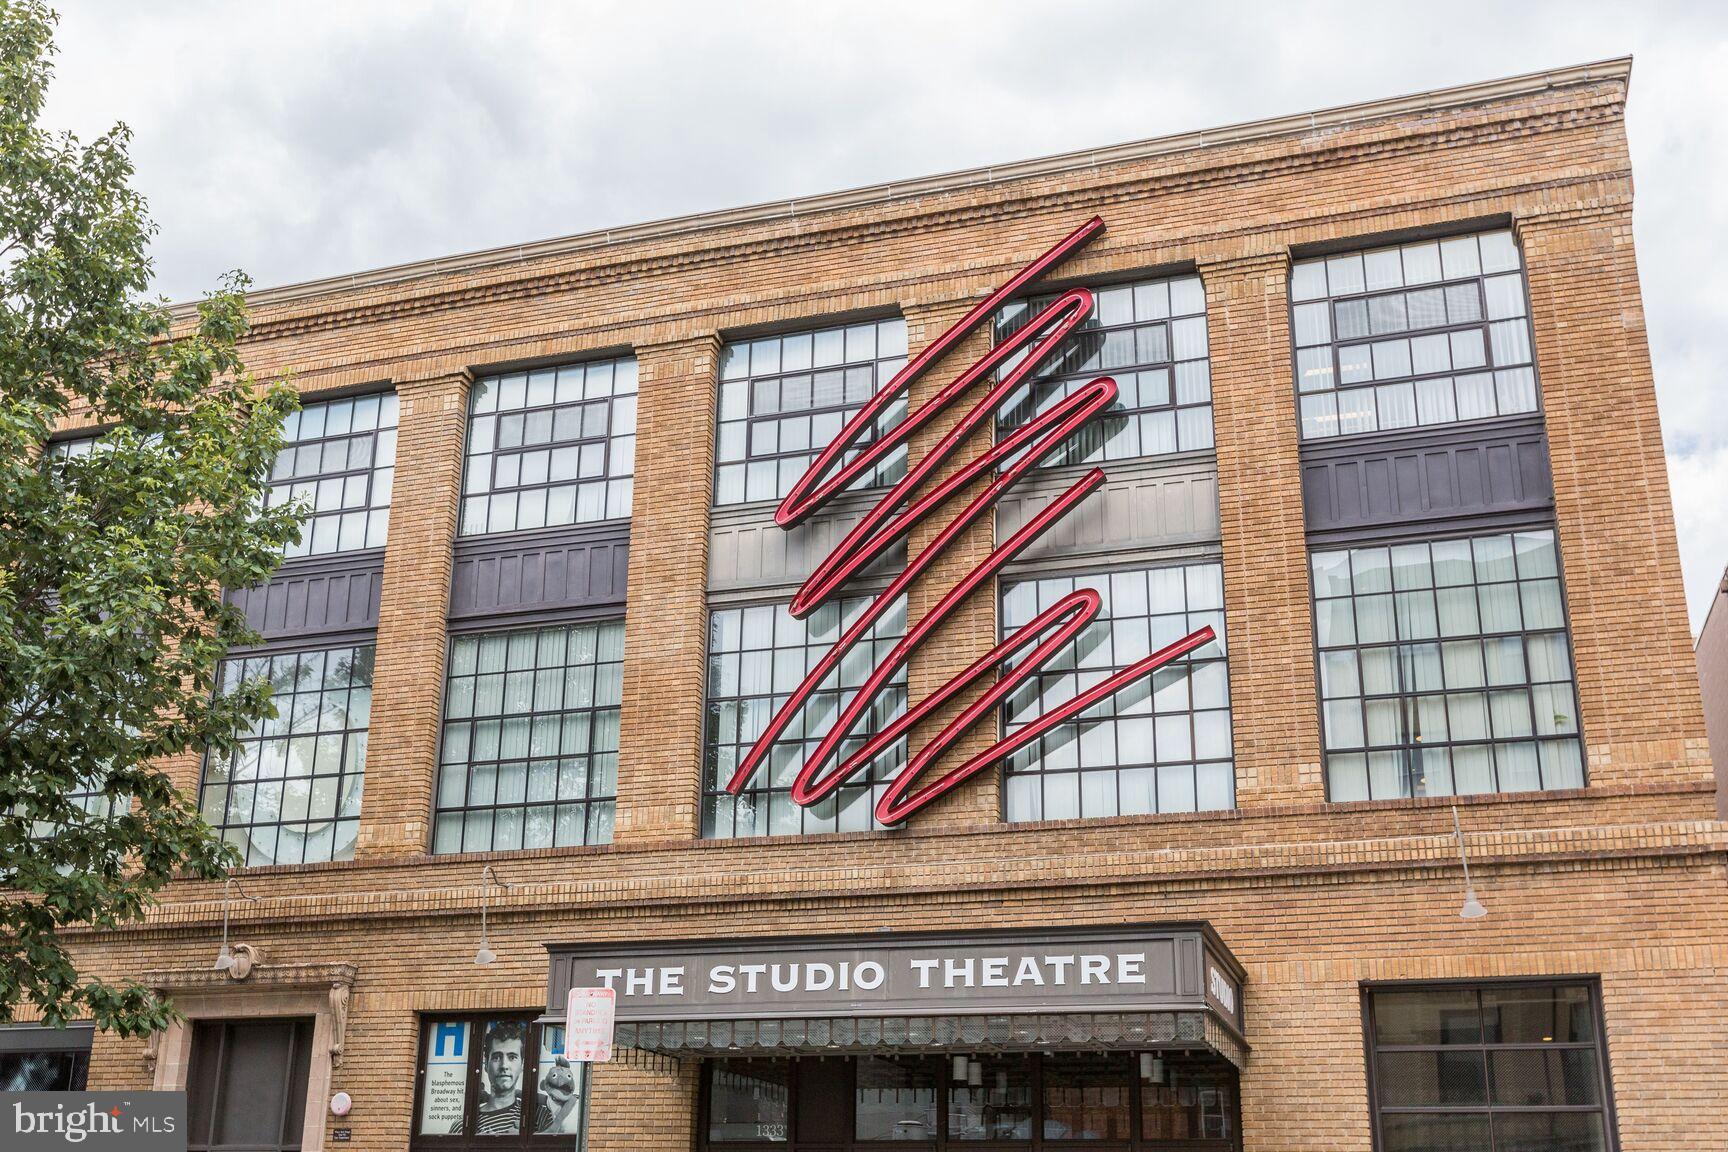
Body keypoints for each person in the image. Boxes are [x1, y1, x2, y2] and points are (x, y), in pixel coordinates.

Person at [450, 1020, 532, 1135]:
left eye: (512, 1057)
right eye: (497, 1057)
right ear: (486, 1065)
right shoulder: (462, 1127)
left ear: (522, 1065)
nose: (504, 1066)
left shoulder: (536, 1116)